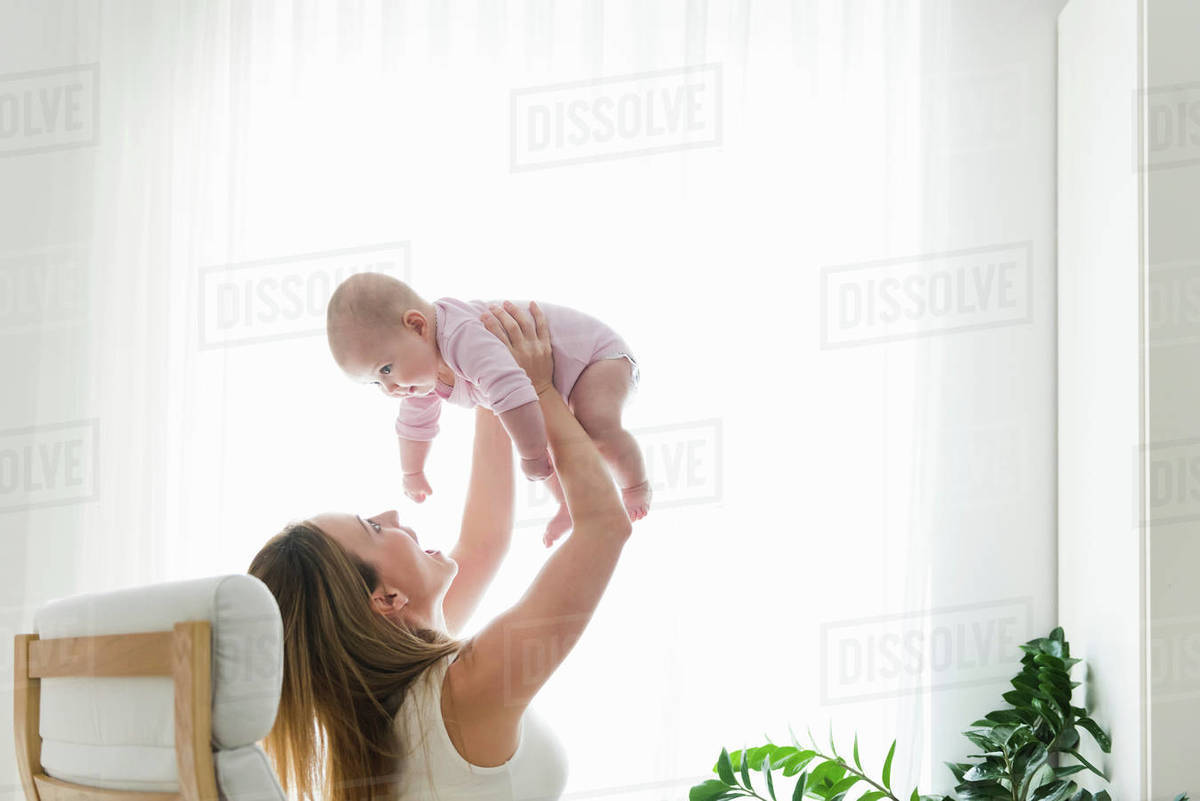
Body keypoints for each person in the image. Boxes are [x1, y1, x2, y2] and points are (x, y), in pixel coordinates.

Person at [248, 301, 634, 801]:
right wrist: (539, 389)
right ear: (386, 600)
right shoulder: (465, 691)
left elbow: (484, 542)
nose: (392, 516)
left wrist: (494, 376)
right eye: (374, 528)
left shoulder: (402, 704)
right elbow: (604, 526)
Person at [325, 273, 651, 546]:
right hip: (560, 381)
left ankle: (635, 485)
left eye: (385, 370)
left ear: (417, 326)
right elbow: (414, 424)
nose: (390, 389)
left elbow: (510, 389)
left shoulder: (459, 336)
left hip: (597, 359)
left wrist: (532, 455)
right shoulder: (423, 372)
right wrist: (413, 472)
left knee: (594, 425)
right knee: (545, 436)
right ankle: (567, 503)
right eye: (376, 383)